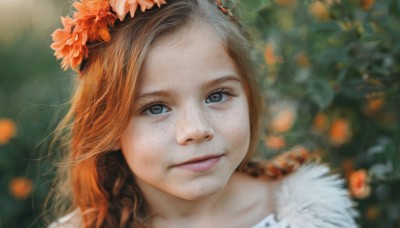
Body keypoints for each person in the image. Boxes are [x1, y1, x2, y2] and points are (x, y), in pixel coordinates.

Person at [48, 0, 358, 227]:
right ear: (108, 127)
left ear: (248, 98)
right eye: (155, 107)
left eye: (217, 95)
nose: (196, 130)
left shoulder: (312, 216)